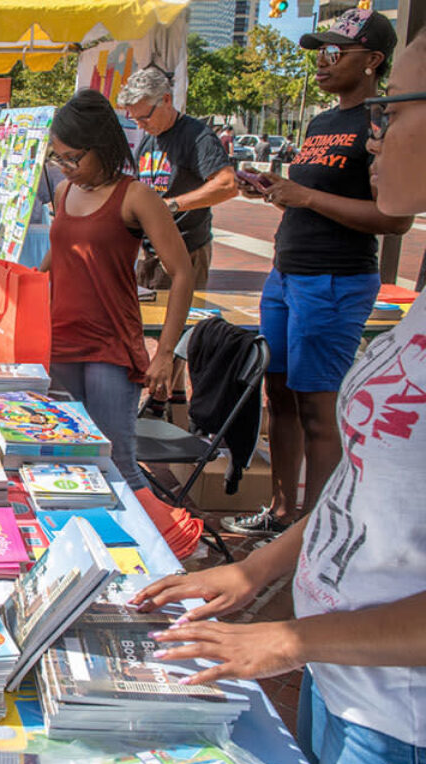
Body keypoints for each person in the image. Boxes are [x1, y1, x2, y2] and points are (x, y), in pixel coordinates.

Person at [132, 29, 426, 764]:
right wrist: (257, 573)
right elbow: (364, 491)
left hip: (399, 727)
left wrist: (287, 639)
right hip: (345, 686)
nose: (377, 132)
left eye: (394, 108)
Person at [222, 8, 413, 536]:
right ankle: (283, 514)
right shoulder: (322, 121)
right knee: (278, 395)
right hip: (288, 275)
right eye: (318, 53)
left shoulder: (380, 123)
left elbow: (394, 219)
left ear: (373, 60)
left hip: (334, 280)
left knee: (316, 405)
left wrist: (305, 194)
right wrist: (275, 189)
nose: (322, 62)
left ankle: (316, 528)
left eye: (336, 52)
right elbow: (315, 199)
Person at [40, 90, 193, 493]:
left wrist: (164, 353)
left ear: (104, 147)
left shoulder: (137, 196)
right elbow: (59, 256)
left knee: (116, 462)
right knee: (66, 458)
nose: (66, 168)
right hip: (61, 342)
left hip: (111, 345)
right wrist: (15, 286)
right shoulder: (63, 193)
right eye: (59, 158)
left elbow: (182, 274)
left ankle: (164, 546)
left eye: (74, 157)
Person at [118, 67, 237, 292]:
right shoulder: (149, 140)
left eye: (144, 117)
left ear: (166, 99)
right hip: (151, 250)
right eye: (135, 119)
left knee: (176, 321)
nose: (141, 125)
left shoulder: (197, 137)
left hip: (184, 249)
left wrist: (171, 205)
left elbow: (227, 184)